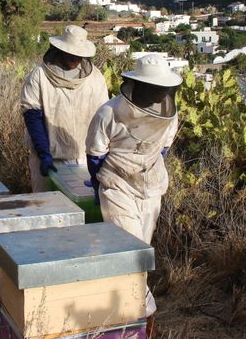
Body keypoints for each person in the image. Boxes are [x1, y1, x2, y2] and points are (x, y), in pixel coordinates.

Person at [84, 54, 182, 326]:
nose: (159, 93)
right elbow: (95, 154)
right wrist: (98, 182)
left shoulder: (169, 116)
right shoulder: (109, 112)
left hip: (151, 188)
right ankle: (138, 312)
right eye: (155, 87)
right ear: (138, 84)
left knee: (143, 248)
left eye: (163, 89)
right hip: (117, 186)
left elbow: (163, 148)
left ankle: (131, 311)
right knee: (131, 251)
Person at [21, 25, 109, 193]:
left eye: (79, 55)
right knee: (48, 208)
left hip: (85, 157)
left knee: (82, 211)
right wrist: (43, 153)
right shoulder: (38, 76)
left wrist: (100, 158)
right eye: (71, 54)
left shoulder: (96, 77)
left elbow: (103, 119)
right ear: (60, 50)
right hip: (48, 158)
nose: (75, 59)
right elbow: (32, 115)